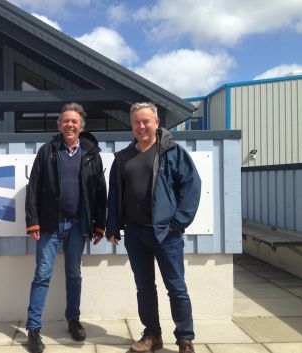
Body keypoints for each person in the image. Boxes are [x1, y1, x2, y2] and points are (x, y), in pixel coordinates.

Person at [106, 102, 201, 353]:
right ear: (132, 125)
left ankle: (185, 339)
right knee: (144, 287)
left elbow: (191, 186)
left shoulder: (172, 152)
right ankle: (152, 335)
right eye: (136, 122)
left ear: (157, 123)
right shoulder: (123, 157)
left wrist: (177, 222)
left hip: (166, 234)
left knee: (176, 287)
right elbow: (115, 194)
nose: (141, 126)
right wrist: (113, 226)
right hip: (136, 233)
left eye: (146, 121)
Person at [25, 102, 107, 353]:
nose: (70, 125)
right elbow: (34, 187)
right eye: (65, 121)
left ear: (81, 126)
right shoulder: (48, 151)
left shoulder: (91, 154)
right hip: (50, 225)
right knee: (42, 274)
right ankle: (34, 328)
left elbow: (100, 192)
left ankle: (73, 319)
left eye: (74, 121)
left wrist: (100, 225)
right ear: (59, 125)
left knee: (74, 274)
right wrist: (33, 221)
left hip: (77, 225)